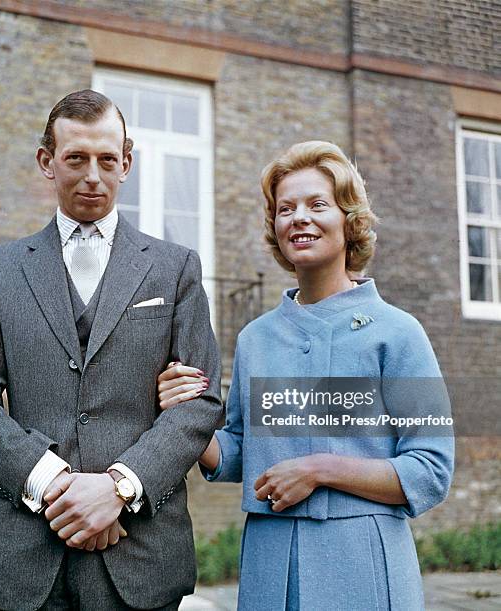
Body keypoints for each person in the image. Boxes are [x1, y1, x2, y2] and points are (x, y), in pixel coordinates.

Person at [0, 89, 222, 611]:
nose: (93, 175)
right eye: (76, 158)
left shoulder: (175, 268)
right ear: (48, 161)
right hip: (22, 561)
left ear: (126, 163)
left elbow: (202, 403)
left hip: (138, 559)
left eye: (107, 160)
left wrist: (118, 488)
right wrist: (53, 483)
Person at [157, 141, 454, 610]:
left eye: (317, 204)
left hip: (366, 564)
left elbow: (431, 470)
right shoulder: (256, 338)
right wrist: (186, 413)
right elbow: (238, 453)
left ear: (349, 220)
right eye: (285, 208)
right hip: (270, 565)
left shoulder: (400, 334)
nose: (299, 217)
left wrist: (320, 470)